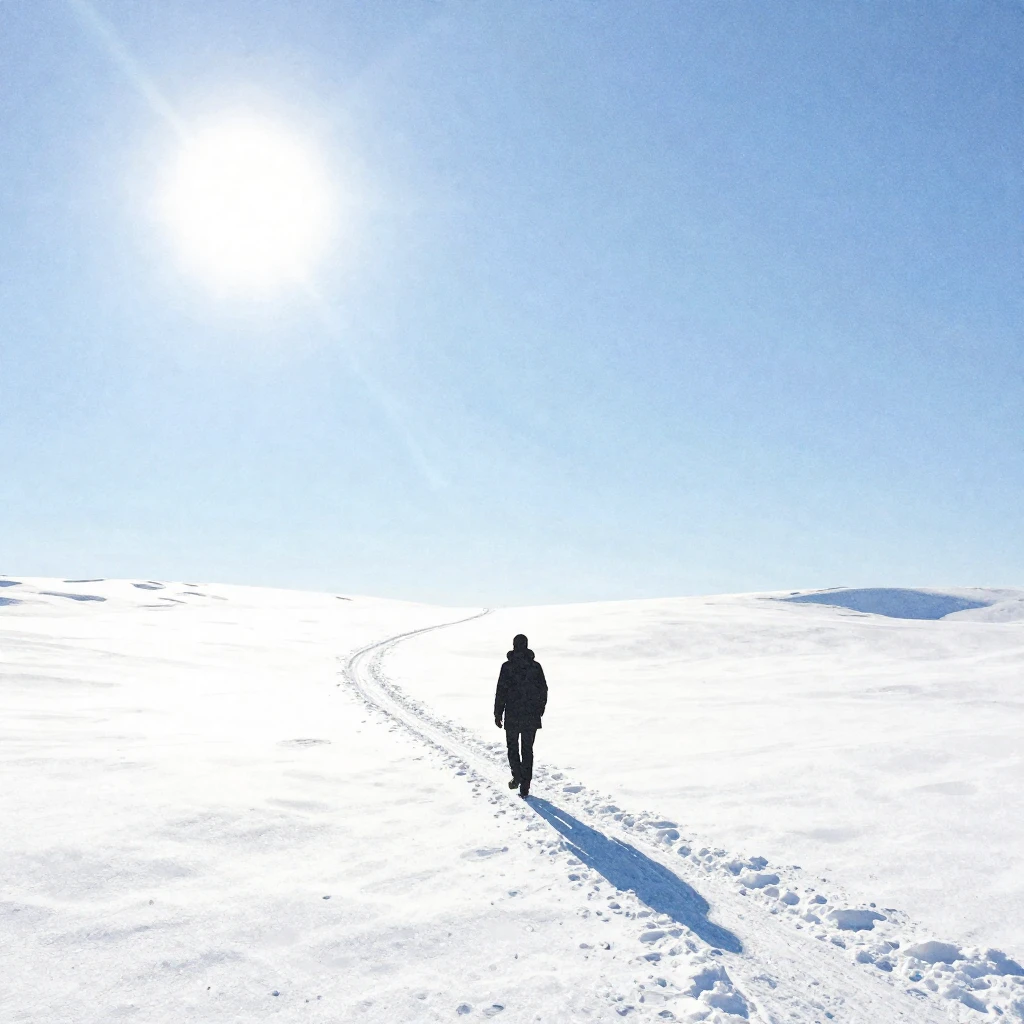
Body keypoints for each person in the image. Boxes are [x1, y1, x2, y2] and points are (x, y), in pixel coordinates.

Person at [494, 633, 548, 799]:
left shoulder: (507, 667)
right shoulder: (535, 666)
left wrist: (498, 713)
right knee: (527, 750)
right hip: (530, 715)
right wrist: (539, 710)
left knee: (512, 747)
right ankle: (525, 785)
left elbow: (501, 691)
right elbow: (543, 690)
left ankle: (517, 775)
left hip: (512, 714)